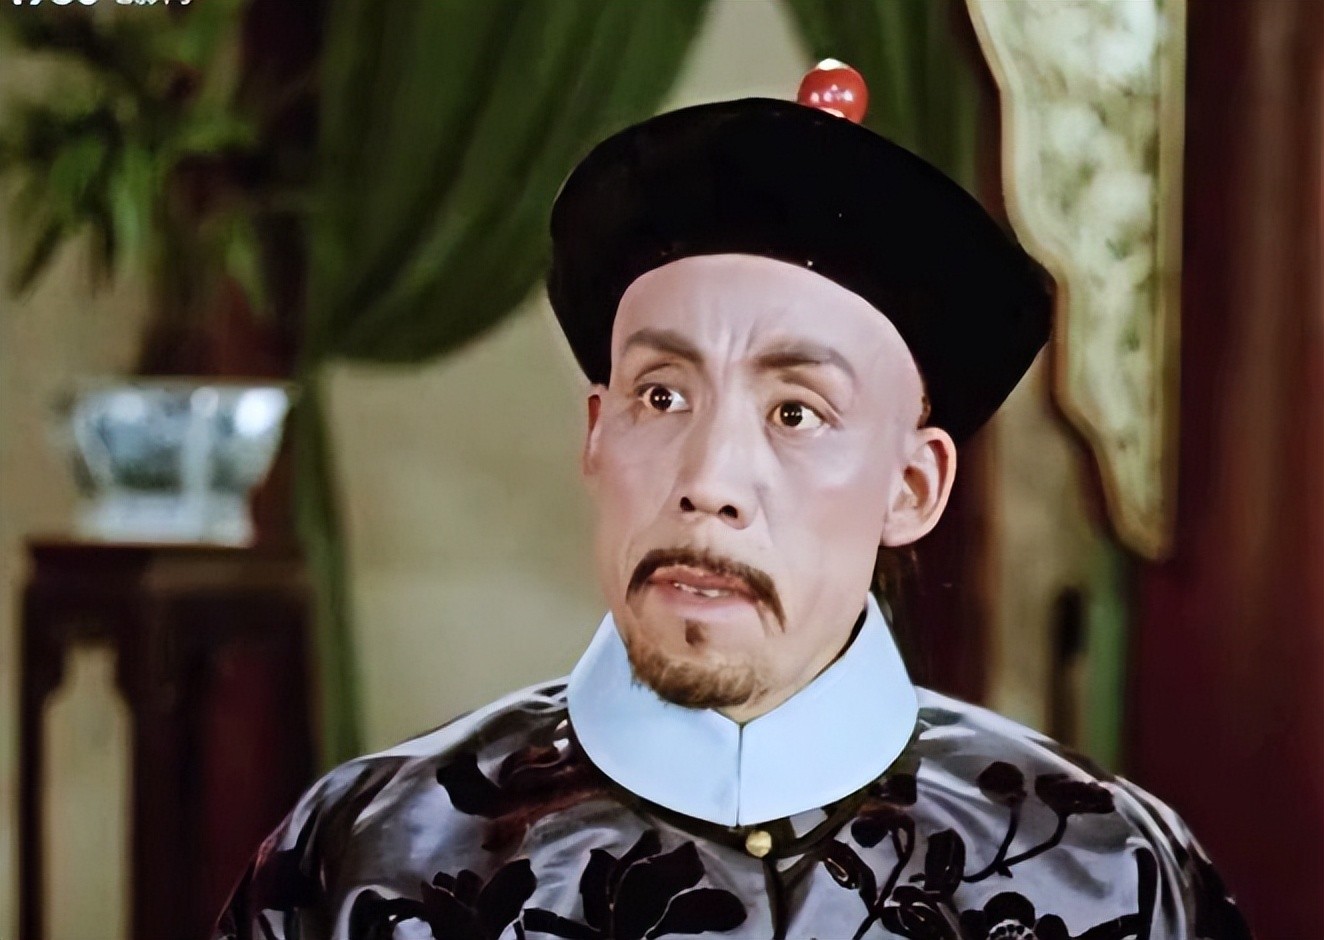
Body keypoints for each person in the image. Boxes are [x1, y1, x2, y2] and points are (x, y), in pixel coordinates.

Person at [215, 63, 1251, 940]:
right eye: (661, 396)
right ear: (596, 434)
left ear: (912, 487)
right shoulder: (373, 854)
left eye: (797, 413)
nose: (707, 481)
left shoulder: (1105, 871)